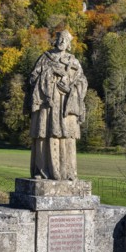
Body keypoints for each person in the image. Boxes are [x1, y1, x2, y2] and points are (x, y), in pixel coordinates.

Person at [29, 30, 87, 180]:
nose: (62, 42)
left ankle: (68, 172)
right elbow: (33, 78)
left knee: (67, 136)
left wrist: (69, 89)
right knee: (44, 134)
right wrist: (50, 74)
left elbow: (82, 82)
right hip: (47, 105)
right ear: (55, 40)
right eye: (60, 39)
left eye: (65, 40)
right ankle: (42, 171)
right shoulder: (45, 58)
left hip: (66, 106)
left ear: (69, 44)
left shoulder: (73, 62)